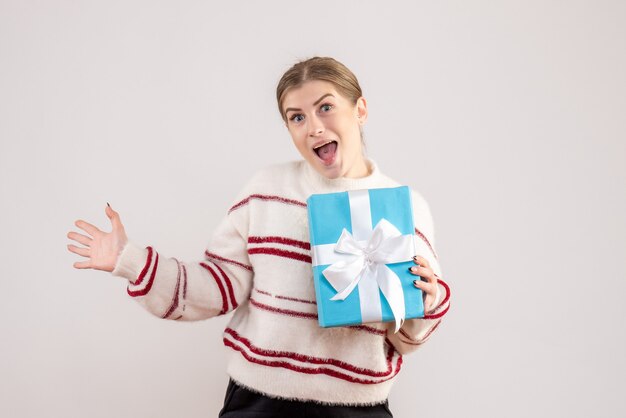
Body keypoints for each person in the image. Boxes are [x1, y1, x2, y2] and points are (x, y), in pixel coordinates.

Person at [67, 56, 451, 417]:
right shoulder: (266, 191)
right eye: (297, 117)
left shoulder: (407, 208)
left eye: (326, 107)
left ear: (360, 110)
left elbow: (407, 338)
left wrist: (427, 300)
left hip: (355, 407)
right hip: (259, 403)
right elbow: (217, 287)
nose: (314, 126)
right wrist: (130, 260)